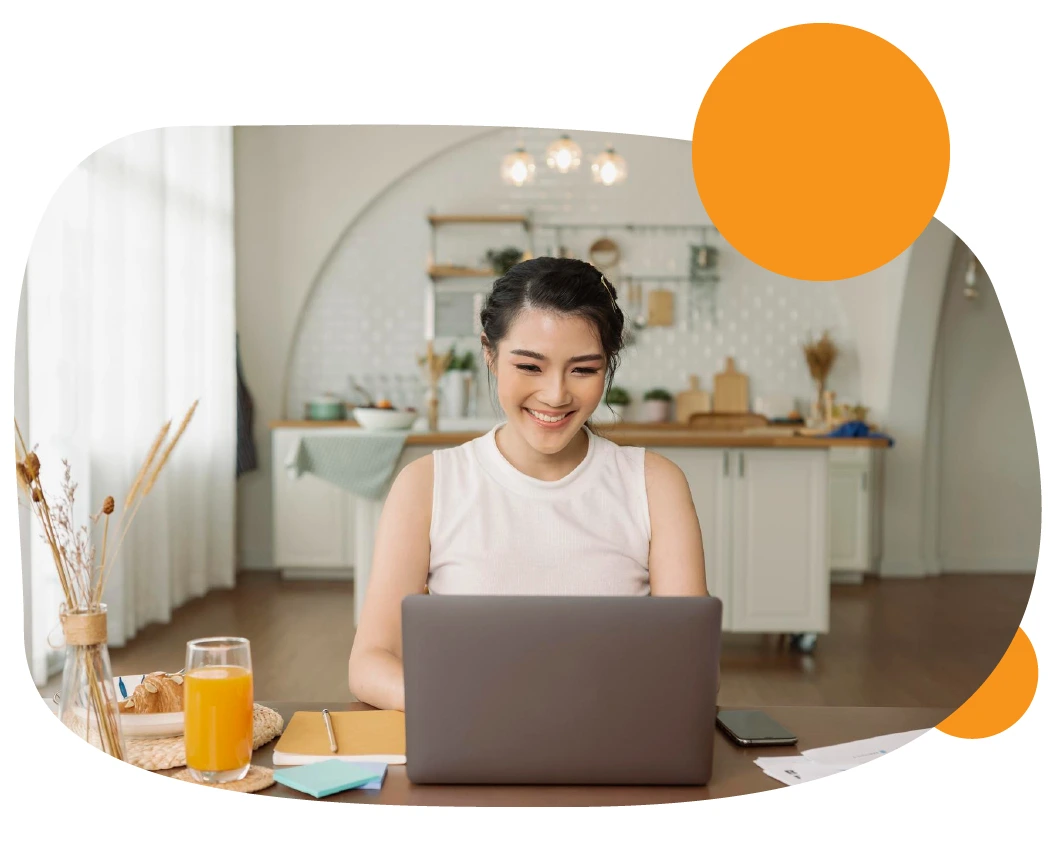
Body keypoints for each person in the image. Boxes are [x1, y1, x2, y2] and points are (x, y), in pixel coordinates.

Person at [348, 256, 710, 711]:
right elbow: (369, 662)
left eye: (583, 370)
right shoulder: (427, 484)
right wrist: (468, 702)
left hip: (608, 738)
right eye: (530, 367)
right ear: (490, 354)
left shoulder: (655, 484)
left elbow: (690, 664)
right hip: (468, 735)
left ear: (609, 366)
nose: (556, 395)